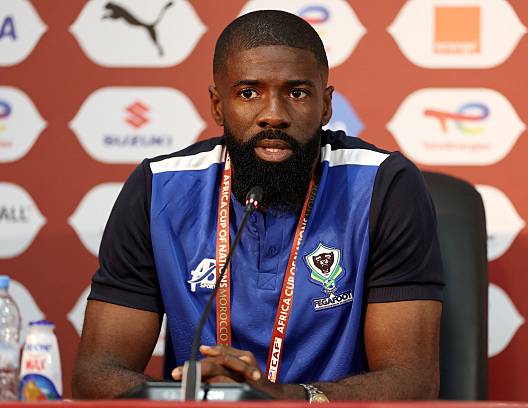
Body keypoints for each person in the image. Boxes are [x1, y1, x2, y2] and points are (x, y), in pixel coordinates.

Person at [72, 10, 444, 401]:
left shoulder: (384, 186)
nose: (273, 116)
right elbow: (95, 374)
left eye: (297, 93)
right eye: (249, 93)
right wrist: (202, 394)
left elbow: (413, 381)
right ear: (218, 105)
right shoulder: (159, 189)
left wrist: (279, 399)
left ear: (326, 105)